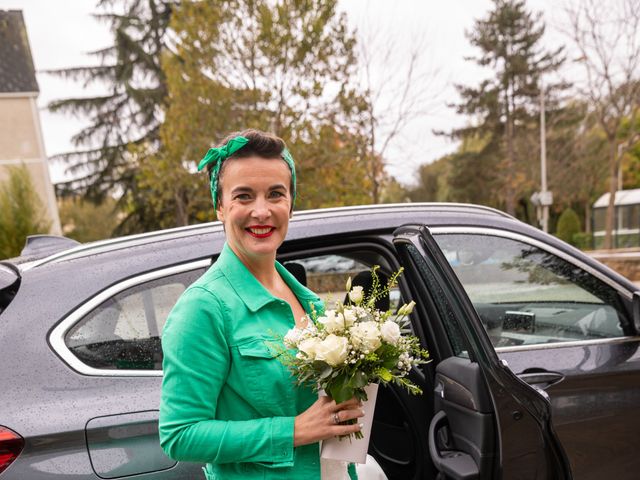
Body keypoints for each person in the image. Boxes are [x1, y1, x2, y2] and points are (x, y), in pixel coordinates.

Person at [159, 129, 364, 480]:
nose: (261, 210)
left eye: (275, 194)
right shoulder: (204, 308)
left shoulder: (309, 301)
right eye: (243, 196)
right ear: (220, 207)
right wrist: (294, 430)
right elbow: (179, 434)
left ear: (291, 203)